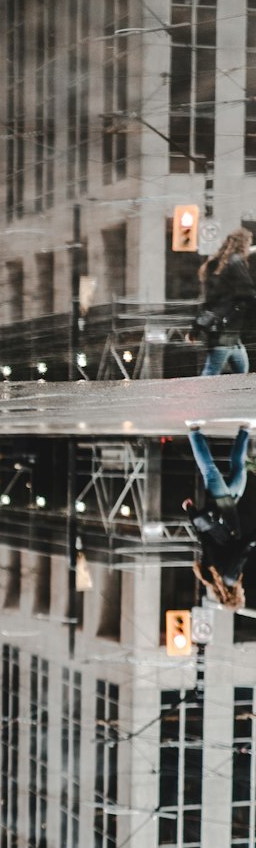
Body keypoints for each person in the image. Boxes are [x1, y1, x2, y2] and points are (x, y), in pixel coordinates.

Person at [184, 421, 256, 609]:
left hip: (223, 510)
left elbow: (243, 549)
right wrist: (192, 513)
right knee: (239, 469)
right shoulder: (210, 574)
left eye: (242, 595)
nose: (244, 591)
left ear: (235, 595)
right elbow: (205, 540)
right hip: (228, 508)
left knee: (210, 470)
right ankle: (244, 429)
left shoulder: (230, 577)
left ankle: (194, 431)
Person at [190, 228, 256, 376]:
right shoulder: (236, 263)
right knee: (211, 372)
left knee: (242, 374)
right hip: (225, 331)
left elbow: (210, 300)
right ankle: (197, 398)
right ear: (243, 244)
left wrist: (196, 326)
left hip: (230, 333)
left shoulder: (220, 264)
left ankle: (239, 397)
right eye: (249, 242)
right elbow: (247, 292)